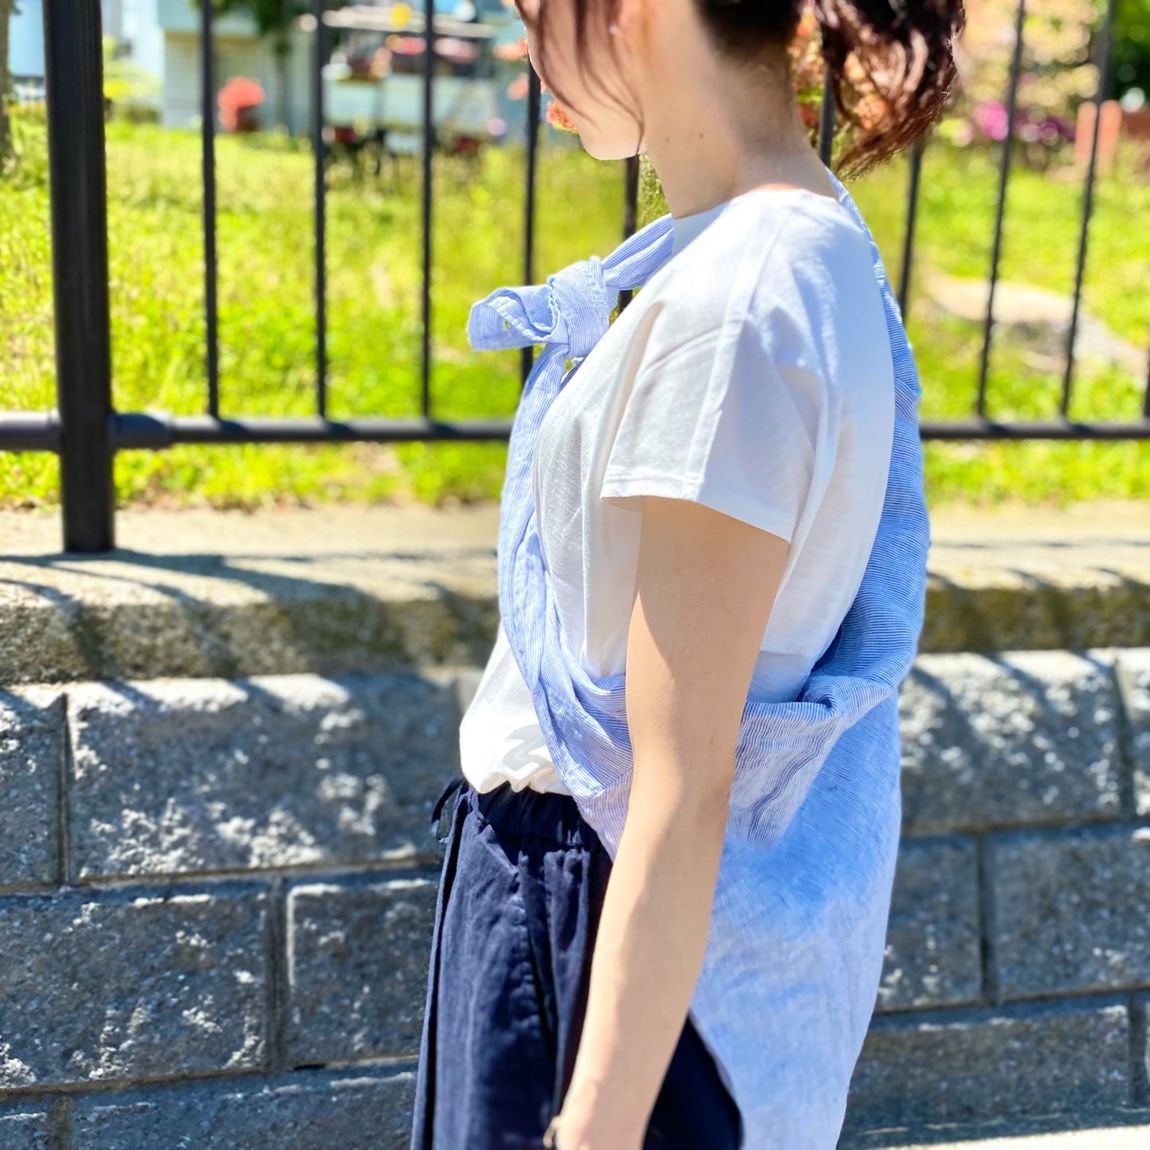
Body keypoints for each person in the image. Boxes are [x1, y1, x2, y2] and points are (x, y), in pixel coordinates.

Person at [410, 1, 964, 1147]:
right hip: (619, 925)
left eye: (532, 11)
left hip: (599, 929)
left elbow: (680, 779)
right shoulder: (789, 249)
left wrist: (593, 1125)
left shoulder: (739, 300)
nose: (524, 52)